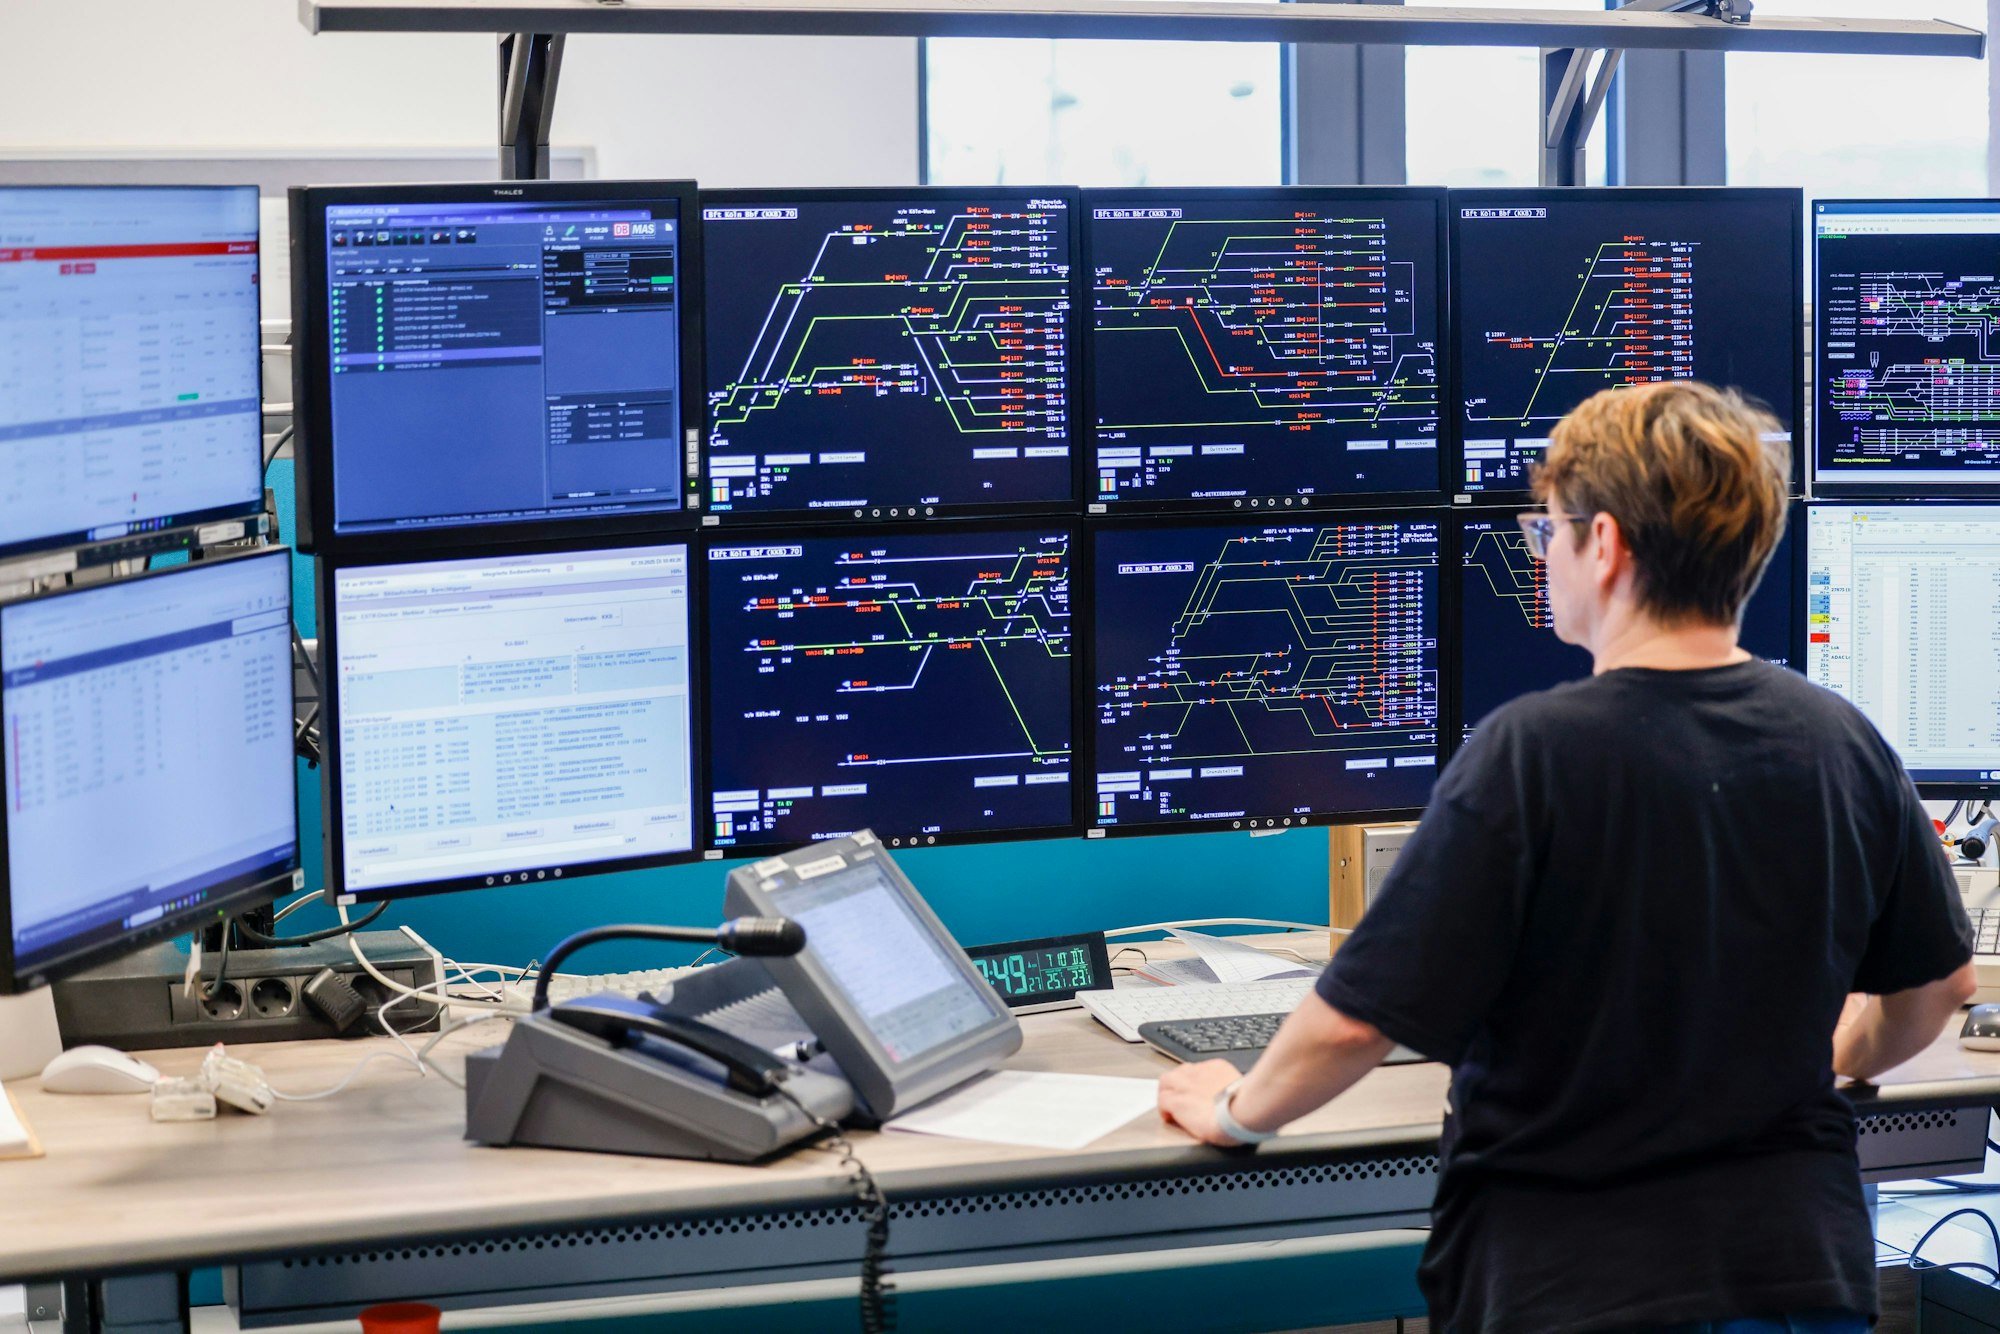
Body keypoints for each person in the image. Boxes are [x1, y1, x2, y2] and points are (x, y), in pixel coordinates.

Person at [1157, 380, 1977, 1334]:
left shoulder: (1533, 753)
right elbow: (1940, 988)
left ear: (1607, 544)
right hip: (1798, 1272)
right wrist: (1845, 1052)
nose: (1542, 555)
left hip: (1581, 1286)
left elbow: (1352, 1028)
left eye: (1548, 530)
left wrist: (1235, 1111)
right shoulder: (1843, 741)